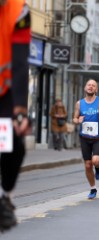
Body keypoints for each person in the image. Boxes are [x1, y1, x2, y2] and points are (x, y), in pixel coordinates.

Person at [0, 0, 31, 231]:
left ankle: (4, 198)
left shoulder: (19, 9)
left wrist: (20, 108)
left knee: (13, 145)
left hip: (5, 92)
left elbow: (20, 62)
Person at [73, 79, 99, 199]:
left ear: (96, 89)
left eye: (93, 85)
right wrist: (78, 120)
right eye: (89, 85)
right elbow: (74, 119)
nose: (91, 87)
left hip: (98, 136)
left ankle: (98, 167)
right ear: (85, 88)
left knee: (95, 160)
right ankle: (93, 188)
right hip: (85, 137)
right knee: (87, 165)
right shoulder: (79, 103)